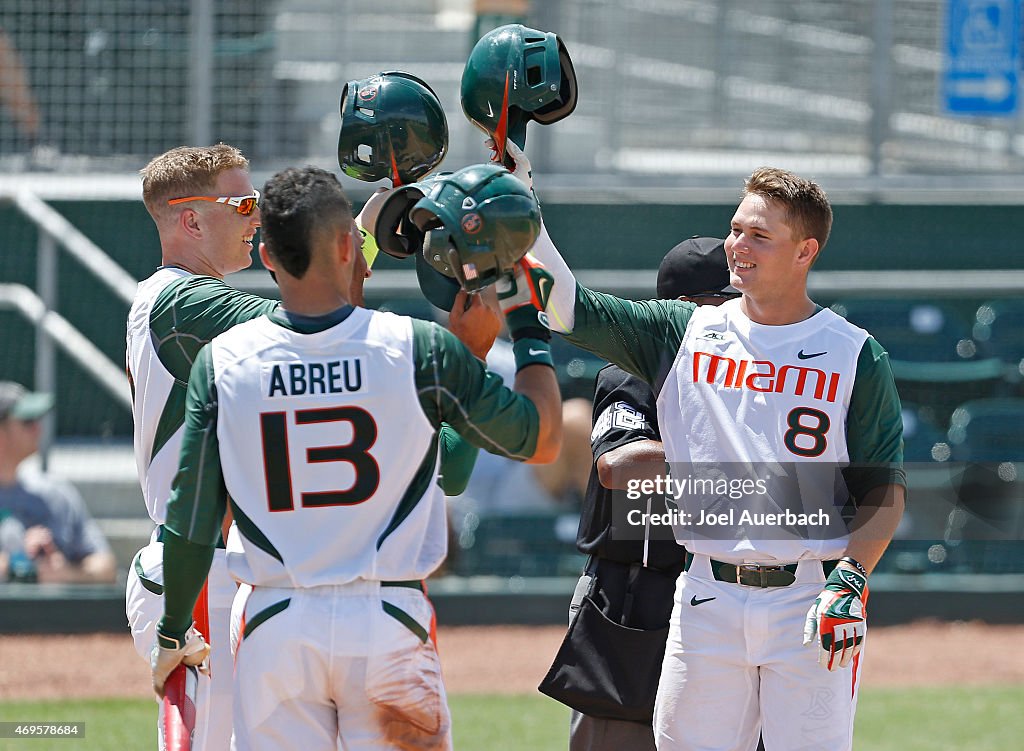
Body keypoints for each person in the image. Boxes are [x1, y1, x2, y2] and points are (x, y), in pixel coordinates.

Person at [507, 141, 906, 751]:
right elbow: (567, 306)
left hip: (808, 597)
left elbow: (883, 489)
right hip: (706, 596)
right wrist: (523, 202)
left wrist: (851, 577)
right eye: (735, 229)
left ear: (805, 251)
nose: (736, 247)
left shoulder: (854, 352)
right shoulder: (684, 329)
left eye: (758, 237)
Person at [148, 164, 562, 749]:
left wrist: (171, 632)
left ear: (267, 254)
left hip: (276, 622)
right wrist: (526, 321)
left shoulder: (223, 362)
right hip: (386, 621)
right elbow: (540, 439)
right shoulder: (417, 347)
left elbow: (190, 517)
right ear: (350, 247)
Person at [553, 238, 743, 751]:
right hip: (630, 595)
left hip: (718, 593)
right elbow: (619, 466)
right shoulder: (635, 372)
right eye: (725, 301)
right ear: (681, 310)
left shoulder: (748, 382)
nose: (742, 314)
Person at [0, 381, 116, 584]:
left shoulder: (57, 493)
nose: (38, 428)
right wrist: (19, 565)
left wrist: (65, 572)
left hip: (52, 614)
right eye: (27, 422)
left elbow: (106, 566)